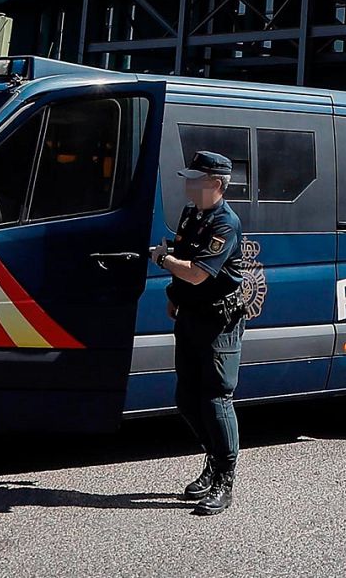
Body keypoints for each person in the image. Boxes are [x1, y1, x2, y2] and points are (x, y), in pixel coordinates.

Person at [151, 151, 247, 516]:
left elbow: (197, 272)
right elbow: (185, 255)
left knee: (216, 398)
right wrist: (173, 294)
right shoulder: (193, 213)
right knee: (186, 399)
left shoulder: (226, 223)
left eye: (195, 178)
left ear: (215, 184)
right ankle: (213, 460)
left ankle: (225, 478)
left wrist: (163, 261)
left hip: (217, 323)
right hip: (190, 316)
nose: (188, 183)